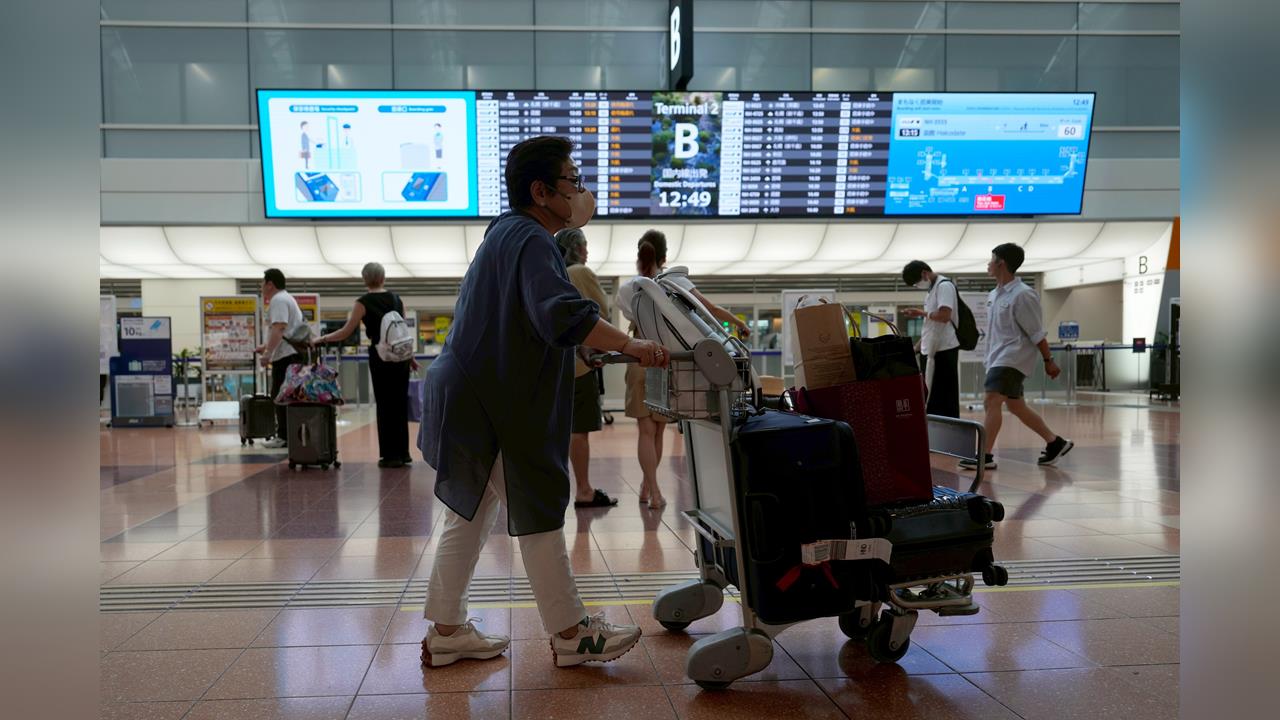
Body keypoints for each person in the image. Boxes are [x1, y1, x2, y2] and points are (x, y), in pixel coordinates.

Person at [417, 136, 669, 669]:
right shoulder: (530, 238)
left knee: (472, 513)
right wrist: (630, 343)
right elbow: (559, 313)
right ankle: (572, 632)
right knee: (537, 508)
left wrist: (594, 351)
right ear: (541, 191)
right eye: (573, 181)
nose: (582, 191)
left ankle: (446, 630)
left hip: (469, 394)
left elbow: (530, 321)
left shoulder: (503, 235)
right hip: (495, 402)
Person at [616, 230, 750, 510]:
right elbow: (708, 309)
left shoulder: (630, 289)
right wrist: (739, 323)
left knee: (644, 431)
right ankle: (652, 488)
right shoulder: (674, 282)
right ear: (665, 257)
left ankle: (649, 488)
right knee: (659, 431)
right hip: (667, 362)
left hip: (638, 361)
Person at [960, 244, 1074, 471]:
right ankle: (1055, 442)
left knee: (991, 400)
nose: (988, 263)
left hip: (1013, 358)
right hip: (997, 357)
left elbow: (1036, 332)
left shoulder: (1023, 295)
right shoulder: (994, 295)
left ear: (1001, 263)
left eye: (991, 259)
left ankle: (985, 455)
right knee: (1015, 406)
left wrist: (1048, 360)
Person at [313, 262, 417, 468]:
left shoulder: (363, 302)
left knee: (385, 405)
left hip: (380, 357)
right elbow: (402, 331)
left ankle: (390, 456)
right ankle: (404, 453)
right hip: (401, 358)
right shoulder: (397, 299)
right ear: (384, 277)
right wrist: (410, 357)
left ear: (364, 279)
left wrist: (323, 338)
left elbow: (347, 331)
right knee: (399, 405)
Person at [555, 227, 618, 509]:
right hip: (579, 366)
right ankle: (583, 489)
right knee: (579, 430)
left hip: (556, 366)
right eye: (586, 246)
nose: (588, 251)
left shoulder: (551, 273)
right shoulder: (580, 272)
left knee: (566, 429)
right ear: (578, 248)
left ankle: (575, 487)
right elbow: (600, 314)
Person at [901, 260, 961, 418]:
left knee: (943, 398)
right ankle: (934, 431)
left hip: (944, 350)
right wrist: (917, 347)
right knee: (931, 396)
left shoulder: (944, 286)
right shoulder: (931, 291)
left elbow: (944, 315)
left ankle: (947, 431)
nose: (917, 286)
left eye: (916, 283)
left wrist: (921, 313)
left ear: (924, 274)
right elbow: (931, 326)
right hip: (932, 349)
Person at [255, 268, 306, 448]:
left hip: (287, 357)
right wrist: (266, 347)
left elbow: (280, 328)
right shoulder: (287, 298)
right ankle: (288, 435)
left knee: (280, 394)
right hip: (292, 354)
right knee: (286, 394)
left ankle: (284, 436)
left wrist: (268, 354)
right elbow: (283, 330)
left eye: (262, 282)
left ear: (270, 284)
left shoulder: (278, 300)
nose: (261, 286)